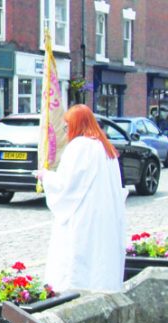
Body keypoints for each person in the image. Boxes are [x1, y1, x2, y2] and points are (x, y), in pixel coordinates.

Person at [37, 104, 127, 292]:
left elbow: (66, 184)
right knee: (99, 256)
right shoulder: (105, 147)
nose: (67, 130)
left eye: (68, 126)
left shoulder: (79, 146)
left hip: (83, 215)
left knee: (78, 259)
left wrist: (45, 176)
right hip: (104, 215)